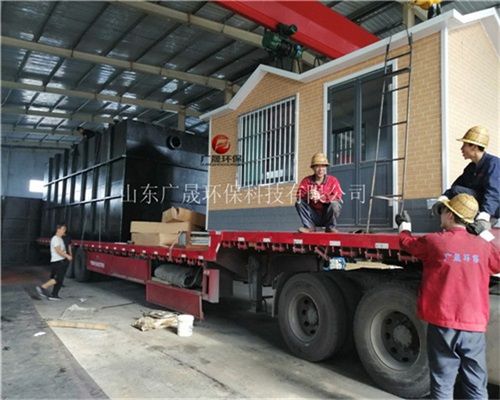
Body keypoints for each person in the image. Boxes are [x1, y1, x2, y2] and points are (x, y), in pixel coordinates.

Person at [396, 194, 500, 399]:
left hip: (443, 324)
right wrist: (485, 234)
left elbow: (407, 244)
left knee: (443, 382)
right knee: (476, 385)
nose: (440, 216)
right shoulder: (484, 247)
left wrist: (404, 226)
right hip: (474, 326)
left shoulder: (435, 241)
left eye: (443, 211)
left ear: (451, 215)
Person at [432, 125, 500, 235]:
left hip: (491, 211)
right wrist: (443, 198)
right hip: (476, 208)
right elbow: (456, 186)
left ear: (474, 147)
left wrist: (484, 215)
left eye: (464, 145)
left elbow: (494, 192)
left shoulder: (493, 164)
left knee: (482, 237)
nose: (461, 149)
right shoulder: (471, 168)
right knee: (456, 191)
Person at [296, 152, 343, 233]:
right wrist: (308, 195)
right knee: (299, 202)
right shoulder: (306, 181)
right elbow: (299, 195)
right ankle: (309, 227)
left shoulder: (333, 181)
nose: (320, 169)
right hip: (313, 215)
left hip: (327, 216)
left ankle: (330, 227)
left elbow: (338, 196)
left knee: (335, 203)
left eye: (323, 166)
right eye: (317, 166)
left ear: (326, 167)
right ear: (313, 168)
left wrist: (321, 197)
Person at [36, 223, 73, 301]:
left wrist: (68, 256)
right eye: (63, 229)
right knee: (58, 279)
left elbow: (65, 248)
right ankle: (43, 287)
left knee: (60, 280)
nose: (64, 231)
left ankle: (54, 295)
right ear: (58, 229)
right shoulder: (55, 239)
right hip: (57, 261)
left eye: (65, 229)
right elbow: (58, 250)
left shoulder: (60, 239)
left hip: (61, 261)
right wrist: (67, 256)